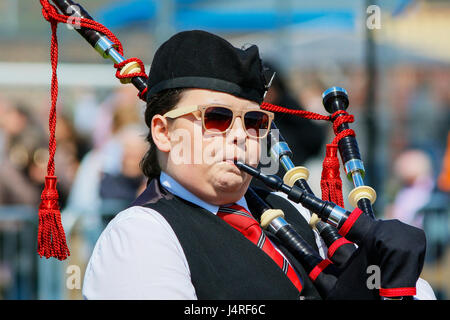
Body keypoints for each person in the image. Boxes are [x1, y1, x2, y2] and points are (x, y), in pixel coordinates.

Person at [82, 30, 435, 300]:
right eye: (217, 118)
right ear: (163, 132)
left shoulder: (291, 210)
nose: (240, 136)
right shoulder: (141, 235)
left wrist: (382, 275)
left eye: (253, 121)